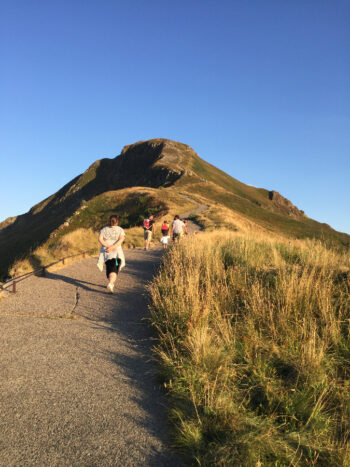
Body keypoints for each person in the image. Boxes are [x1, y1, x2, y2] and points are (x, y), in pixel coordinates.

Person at [97, 215, 126, 293]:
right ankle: (110, 284)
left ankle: (111, 284)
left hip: (106, 252)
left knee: (109, 269)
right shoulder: (120, 229)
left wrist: (108, 246)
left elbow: (100, 239)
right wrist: (113, 247)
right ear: (117, 221)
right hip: (116, 253)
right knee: (114, 270)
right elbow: (121, 240)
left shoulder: (104, 229)